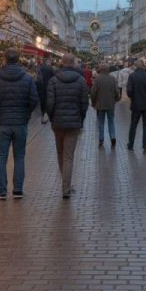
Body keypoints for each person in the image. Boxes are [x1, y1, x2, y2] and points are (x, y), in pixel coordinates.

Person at [0, 48, 39, 200]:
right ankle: (17, 190)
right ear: (18, 60)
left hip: (1, 123)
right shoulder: (27, 78)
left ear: (4, 59)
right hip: (20, 123)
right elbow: (34, 100)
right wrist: (26, 114)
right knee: (19, 157)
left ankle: (2, 191)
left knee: (1, 157)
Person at [47, 54, 89, 199]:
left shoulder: (53, 80)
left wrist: (52, 118)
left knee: (60, 153)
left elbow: (50, 103)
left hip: (58, 123)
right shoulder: (81, 81)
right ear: (74, 64)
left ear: (62, 63)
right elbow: (84, 104)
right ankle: (66, 187)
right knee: (69, 156)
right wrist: (81, 118)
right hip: (73, 123)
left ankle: (65, 184)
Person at [126, 59, 146, 154]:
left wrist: (133, 98)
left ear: (136, 66)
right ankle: (145, 146)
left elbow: (129, 91)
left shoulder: (132, 76)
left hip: (136, 105)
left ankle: (131, 144)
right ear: (143, 66)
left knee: (133, 125)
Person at [90, 64, 118, 148]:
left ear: (100, 70)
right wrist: (115, 99)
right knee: (111, 121)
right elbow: (116, 92)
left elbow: (93, 92)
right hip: (110, 104)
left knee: (101, 122)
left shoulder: (97, 79)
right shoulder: (112, 79)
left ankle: (101, 139)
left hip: (100, 104)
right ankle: (113, 137)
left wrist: (93, 102)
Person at [37, 57, 55, 124]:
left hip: (41, 87)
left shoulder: (40, 68)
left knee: (42, 100)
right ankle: (46, 113)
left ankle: (43, 112)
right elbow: (54, 77)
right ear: (47, 62)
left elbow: (37, 78)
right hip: (49, 86)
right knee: (48, 99)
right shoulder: (50, 69)